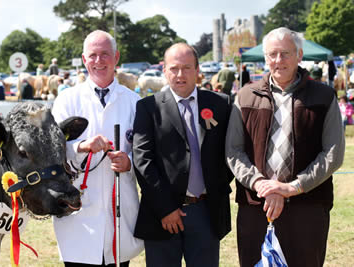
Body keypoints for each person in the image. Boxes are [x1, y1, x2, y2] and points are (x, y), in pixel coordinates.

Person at [225, 27, 345, 267]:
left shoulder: (323, 96)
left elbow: (333, 153)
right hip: (256, 206)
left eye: (285, 53)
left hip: (307, 207)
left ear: (299, 55)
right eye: (272, 54)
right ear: (265, 58)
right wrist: (261, 184)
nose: (278, 60)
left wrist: (293, 187)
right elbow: (233, 150)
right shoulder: (246, 96)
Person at [132, 43, 233, 267]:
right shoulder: (148, 107)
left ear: (198, 71)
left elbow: (229, 154)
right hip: (162, 215)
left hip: (207, 212)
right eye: (174, 68)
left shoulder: (221, 103)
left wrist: (215, 187)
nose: (180, 75)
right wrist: (166, 208)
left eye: (187, 68)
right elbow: (142, 161)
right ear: (164, 71)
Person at [51, 30, 143, 267]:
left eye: (105, 54)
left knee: (117, 259)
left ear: (116, 57)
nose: (99, 61)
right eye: (93, 55)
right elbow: (52, 151)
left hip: (119, 212)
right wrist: (81, 146)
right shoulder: (66, 100)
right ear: (84, 59)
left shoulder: (134, 102)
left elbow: (146, 152)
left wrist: (129, 162)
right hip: (78, 216)